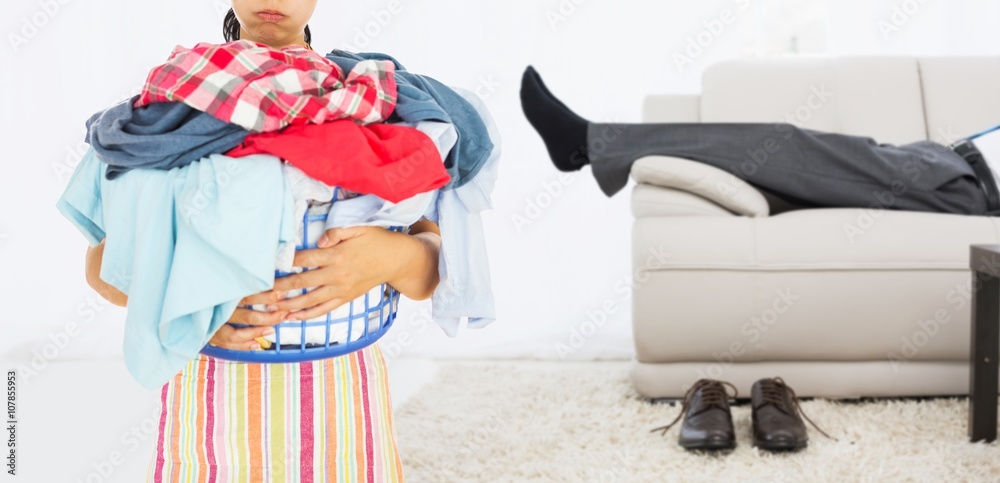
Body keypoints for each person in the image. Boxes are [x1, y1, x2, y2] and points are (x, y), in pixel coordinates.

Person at [84, 1, 445, 480]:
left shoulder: (373, 104)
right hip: (211, 408)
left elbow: (434, 270)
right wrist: (190, 305)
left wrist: (392, 257)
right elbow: (101, 269)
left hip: (341, 408)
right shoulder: (175, 108)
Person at [519, 66, 1000, 216]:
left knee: (784, 143)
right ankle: (587, 144)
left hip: (967, 187)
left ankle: (584, 143)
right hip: (946, 160)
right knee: (782, 166)